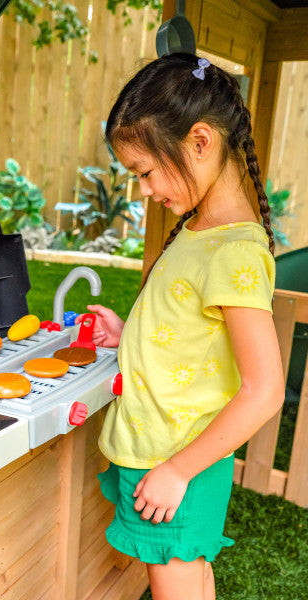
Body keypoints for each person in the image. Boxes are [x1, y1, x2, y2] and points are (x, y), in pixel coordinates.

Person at [79, 53, 285, 600]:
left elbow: (265, 390)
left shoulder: (233, 251)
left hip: (176, 462)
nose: (145, 190)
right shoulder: (201, 231)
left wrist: (177, 470)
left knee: (176, 580)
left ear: (200, 142)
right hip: (164, 455)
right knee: (190, 574)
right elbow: (193, 333)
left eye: (145, 172)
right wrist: (129, 335)